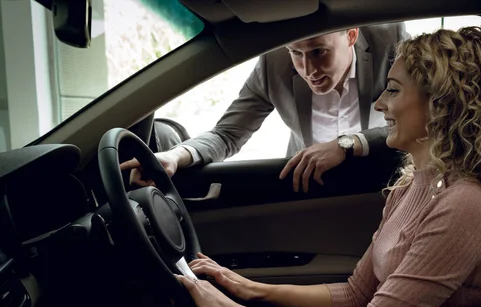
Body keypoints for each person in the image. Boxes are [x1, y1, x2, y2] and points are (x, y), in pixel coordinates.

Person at [173, 26, 481, 307]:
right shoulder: (413, 183)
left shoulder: (464, 207)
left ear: (441, 103)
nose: (378, 105)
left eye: (393, 90)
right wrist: (246, 289)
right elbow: (354, 294)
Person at [121, 23, 410, 192]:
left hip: (377, 183)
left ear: (351, 35)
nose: (307, 69)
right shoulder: (274, 63)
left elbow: (416, 120)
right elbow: (227, 134)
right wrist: (174, 156)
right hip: (310, 185)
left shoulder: (390, 42)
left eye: (318, 52)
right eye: (296, 53)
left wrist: (346, 144)